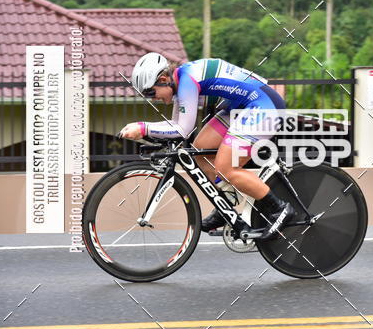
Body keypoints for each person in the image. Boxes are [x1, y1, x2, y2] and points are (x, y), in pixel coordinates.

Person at [118, 53, 294, 240]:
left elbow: (182, 130)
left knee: (226, 168)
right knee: (200, 150)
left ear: (163, 80)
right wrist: (145, 130)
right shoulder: (180, 82)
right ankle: (226, 205)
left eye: (150, 93)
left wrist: (143, 128)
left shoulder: (187, 82)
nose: (151, 99)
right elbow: (175, 125)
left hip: (264, 105)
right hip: (241, 105)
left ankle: (279, 208)